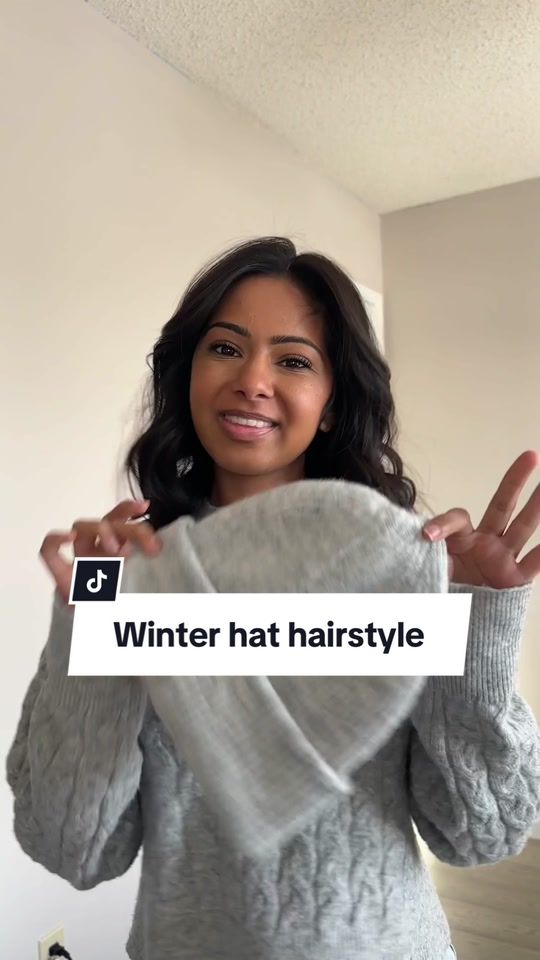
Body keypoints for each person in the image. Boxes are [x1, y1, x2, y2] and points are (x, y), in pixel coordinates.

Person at [7, 237, 540, 960]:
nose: (252, 380)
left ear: (331, 403)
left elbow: (485, 833)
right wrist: (89, 618)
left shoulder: (397, 569)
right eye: (226, 348)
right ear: (189, 375)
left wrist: (478, 625)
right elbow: (72, 848)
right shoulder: (130, 575)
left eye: (293, 361)